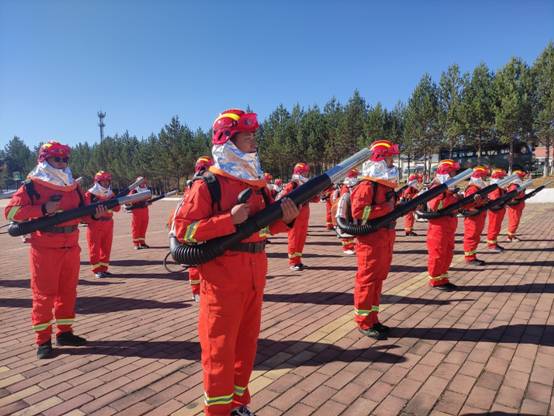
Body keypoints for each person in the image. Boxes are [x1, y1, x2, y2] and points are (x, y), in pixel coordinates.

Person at [173, 109, 299, 416]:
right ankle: (217, 411)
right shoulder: (208, 184)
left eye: (254, 135)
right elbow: (184, 231)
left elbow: (263, 228)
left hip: (254, 277)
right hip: (222, 282)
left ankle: (238, 405)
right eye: (247, 136)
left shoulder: (256, 183)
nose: (254, 141)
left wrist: (286, 220)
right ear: (228, 140)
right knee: (219, 350)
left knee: (246, 346)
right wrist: (226, 221)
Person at [4, 141, 107, 359]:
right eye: (56, 158)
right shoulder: (33, 184)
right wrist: (42, 209)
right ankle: (43, 340)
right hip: (45, 248)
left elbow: (83, 214)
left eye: (65, 159)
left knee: (68, 292)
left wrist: (95, 215)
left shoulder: (73, 185)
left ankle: (65, 332)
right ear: (44, 159)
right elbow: (11, 212)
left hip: (71, 246)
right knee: (44, 295)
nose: (61, 163)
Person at [350, 140, 399, 340]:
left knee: (378, 280)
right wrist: (386, 209)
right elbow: (358, 212)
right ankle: (363, 321)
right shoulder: (367, 185)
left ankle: (373, 318)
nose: (392, 162)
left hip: (384, 238)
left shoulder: (384, 185)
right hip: (370, 241)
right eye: (390, 158)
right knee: (367, 280)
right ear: (379, 159)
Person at [426, 159, 462, 291]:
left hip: (448, 225)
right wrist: (449, 196)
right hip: (439, 227)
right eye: (453, 172)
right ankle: (435, 280)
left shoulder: (447, 188)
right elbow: (435, 206)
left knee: (447, 253)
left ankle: (443, 278)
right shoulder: (437, 188)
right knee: (438, 253)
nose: (455, 175)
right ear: (446, 172)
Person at [281, 162, 319, 271]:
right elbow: (283, 198)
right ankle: (293, 262)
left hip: (304, 216)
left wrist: (317, 192)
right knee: (294, 238)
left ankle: (298, 260)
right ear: (299, 172)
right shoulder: (292, 185)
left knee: (301, 239)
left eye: (307, 172)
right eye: (305, 172)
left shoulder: (305, 185)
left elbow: (315, 199)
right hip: (295, 216)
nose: (307, 174)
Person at [85, 170, 120, 278]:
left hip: (108, 223)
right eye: (103, 181)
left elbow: (117, 209)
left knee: (106, 247)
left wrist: (113, 202)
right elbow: (85, 211)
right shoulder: (90, 194)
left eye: (107, 181)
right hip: (95, 224)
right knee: (94, 247)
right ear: (97, 182)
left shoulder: (111, 194)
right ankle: (96, 270)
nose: (106, 183)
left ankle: (104, 269)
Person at [462, 166, 490, 266]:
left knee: (475, 237)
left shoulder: (477, 188)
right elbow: (468, 204)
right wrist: (481, 202)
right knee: (471, 237)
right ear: (480, 177)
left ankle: (472, 256)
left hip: (478, 216)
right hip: (473, 218)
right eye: (484, 176)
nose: (486, 178)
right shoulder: (472, 189)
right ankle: (469, 258)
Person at [486, 168, 509, 252]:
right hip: (495, 211)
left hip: (499, 210)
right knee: (494, 227)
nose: (503, 178)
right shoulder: (495, 188)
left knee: (496, 227)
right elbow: (495, 202)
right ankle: (491, 245)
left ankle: (494, 243)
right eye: (502, 177)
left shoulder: (498, 187)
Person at [337, 169, 359, 255]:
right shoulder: (346, 187)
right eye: (355, 176)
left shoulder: (352, 186)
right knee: (346, 231)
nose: (357, 177)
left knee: (353, 229)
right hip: (347, 212)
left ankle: (351, 246)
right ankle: (347, 247)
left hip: (353, 211)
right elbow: (345, 200)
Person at [506, 168, 528, 242]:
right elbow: (514, 195)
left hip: (517, 206)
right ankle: (510, 237)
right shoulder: (514, 185)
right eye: (521, 176)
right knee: (514, 221)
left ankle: (512, 235)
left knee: (515, 221)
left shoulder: (517, 184)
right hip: (515, 206)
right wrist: (521, 195)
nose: (522, 178)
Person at [128, 179, 150, 249]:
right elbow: (130, 200)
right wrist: (140, 201)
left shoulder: (146, 189)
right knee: (136, 227)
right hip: (137, 211)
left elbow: (149, 198)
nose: (142, 184)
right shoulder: (134, 191)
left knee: (144, 226)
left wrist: (148, 201)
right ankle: (136, 244)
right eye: (141, 182)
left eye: (143, 182)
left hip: (145, 210)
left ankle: (142, 242)